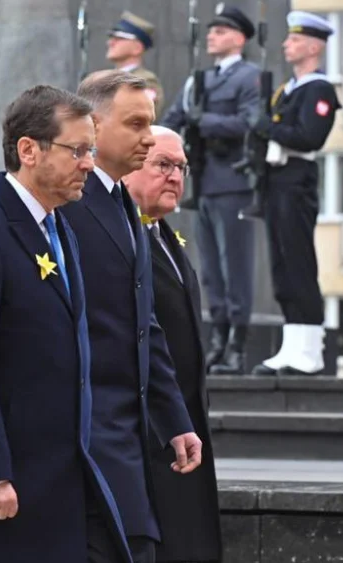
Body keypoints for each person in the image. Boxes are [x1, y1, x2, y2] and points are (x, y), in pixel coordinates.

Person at [0, 85, 132, 563]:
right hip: (3, 484)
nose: (88, 163)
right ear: (28, 150)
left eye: (92, 151)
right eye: (78, 150)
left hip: (60, 476)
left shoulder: (60, 229)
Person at [65, 69, 203, 563]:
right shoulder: (67, 204)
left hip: (125, 436)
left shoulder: (123, 202)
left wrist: (174, 419)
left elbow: (145, 325)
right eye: (137, 124)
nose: (148, 137)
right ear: (95, 127)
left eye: (151, 123)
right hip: (81, 440)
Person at [123, 126, 222, 563]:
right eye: (163, 164)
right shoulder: (122, 239)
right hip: (146, 435)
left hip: (185, 429)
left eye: (181, 167)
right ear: (130, 168)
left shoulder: (166, 237)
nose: (175, 176)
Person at [160, 3, 261, 375]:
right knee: (211, 271)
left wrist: (207, 121)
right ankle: (218, 339)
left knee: (235, 266)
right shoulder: (198, 81)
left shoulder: (249, 77)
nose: (211, 37)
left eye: (219, 32)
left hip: (233, 182)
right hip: (202, 183)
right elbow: (173, 120)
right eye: (211, 31)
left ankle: (237, 343)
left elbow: (251, 122)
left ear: (238, 38)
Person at [248, 12, 341, 376]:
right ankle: (292, 344)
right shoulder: (287, 89)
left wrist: (269, 127)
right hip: (276, 179)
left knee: (299, 262)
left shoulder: (319, 90)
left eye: (296, 39)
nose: (287, 44)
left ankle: (310, 349)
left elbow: (309, 136)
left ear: (314, 46)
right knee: (282, 265)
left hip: (297, 177)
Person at [106, 10, 166, 117]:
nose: (110, 42)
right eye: (111, 38)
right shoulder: (105, 78)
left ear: (137, 48)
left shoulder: (145, 80)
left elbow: (140, 117)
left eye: (119, 38)